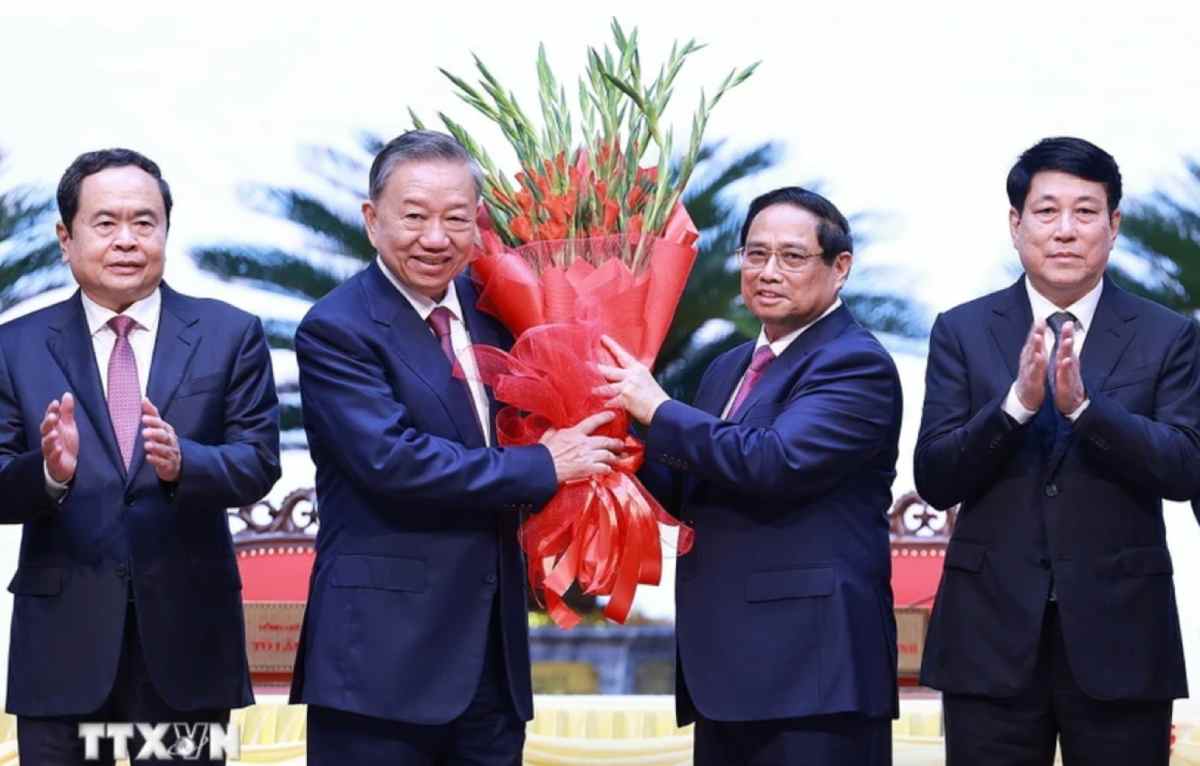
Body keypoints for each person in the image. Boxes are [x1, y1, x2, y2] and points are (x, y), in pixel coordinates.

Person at [289, 130, 621, 766]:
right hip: (380, 670)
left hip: (491, 669)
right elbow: (393, 461)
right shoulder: (337, 328)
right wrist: (545, 465)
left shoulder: (502, 308)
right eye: (413, 216)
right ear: (371, 220)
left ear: (479, 224)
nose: (435, 238)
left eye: (455, 218)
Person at [915, 136, 1200, 765]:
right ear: (1016, 225)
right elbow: (935, 476)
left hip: (1123, 634)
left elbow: (1184, 468)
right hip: (989, 638)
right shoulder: (963, 330)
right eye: (1046, 212)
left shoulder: (1169, 335)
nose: (1065, 231)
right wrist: (1017, 403)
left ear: (1114, 224)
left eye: (1086, 211)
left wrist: (1087, 411)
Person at [599, 186, 901, 765]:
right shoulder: (727, 367)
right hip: (725, 673)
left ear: (841, 268)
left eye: (791, 257)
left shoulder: (856, 362)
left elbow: (774, 461)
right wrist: (614, 441)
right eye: (755, 254)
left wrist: (657, 410)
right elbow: (691, 483)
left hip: (812, 676)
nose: (768, 271)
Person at [0, 148, 281, 763]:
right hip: (61, 649)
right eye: (105, 223)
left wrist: (188, 462)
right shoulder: (14, 346)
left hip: (189, 639)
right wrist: (49, 471)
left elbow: (259, 462)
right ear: (65, 237)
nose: (126, 240)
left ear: (165, 231)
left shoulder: (229, 334)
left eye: (144, 222)